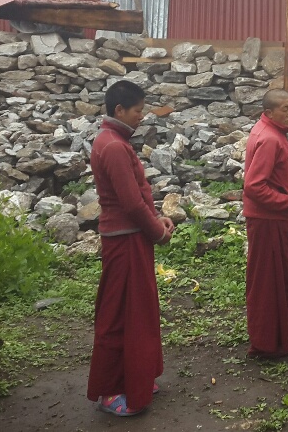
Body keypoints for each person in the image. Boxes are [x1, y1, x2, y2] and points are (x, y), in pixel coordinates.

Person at [86, 79, 175, 417]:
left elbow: (140, 199)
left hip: (131, 236)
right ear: (119, 110)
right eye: (138, 111)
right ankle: (111, 391)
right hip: (123, 241)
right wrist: (158, 232)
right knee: (120, 315)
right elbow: (131, 204)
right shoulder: (112, 146)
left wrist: (157, 218)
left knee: (139, 311)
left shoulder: (116, 141)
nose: (142, 117)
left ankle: (136, 376)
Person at [242, 89, 288, 359]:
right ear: (268, 113)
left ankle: (275, 335)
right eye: (284, 110)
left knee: (274, 279)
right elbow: (254, 185)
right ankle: (268, 342)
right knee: (271, 282)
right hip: (269, 220)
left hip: (271, 219)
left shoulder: (268, 131)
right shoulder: (269, 139)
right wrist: (287, 203)